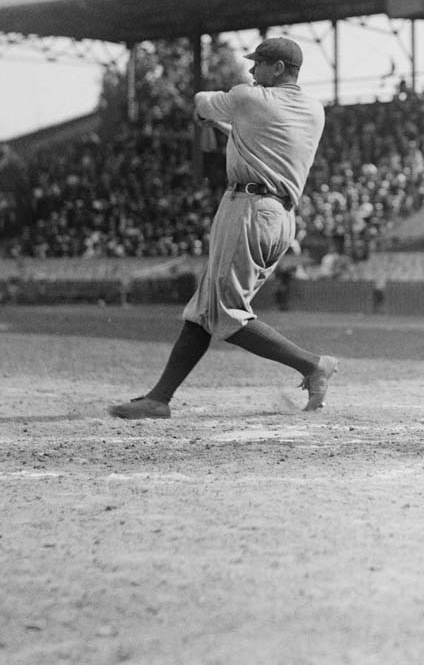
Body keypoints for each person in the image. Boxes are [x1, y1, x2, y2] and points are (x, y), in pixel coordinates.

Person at [109, 37, 338, 419]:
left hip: (247, 208)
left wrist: (207, 115)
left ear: (278, 68)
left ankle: (313, 365)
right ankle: (159, 397)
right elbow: (263, 135)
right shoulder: (313, 109)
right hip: (280, 218)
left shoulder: (250, 98)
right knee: (205, 309)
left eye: (259, 63)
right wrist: (228, 126)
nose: (251, 70)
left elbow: (201, 100)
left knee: (227, 313)